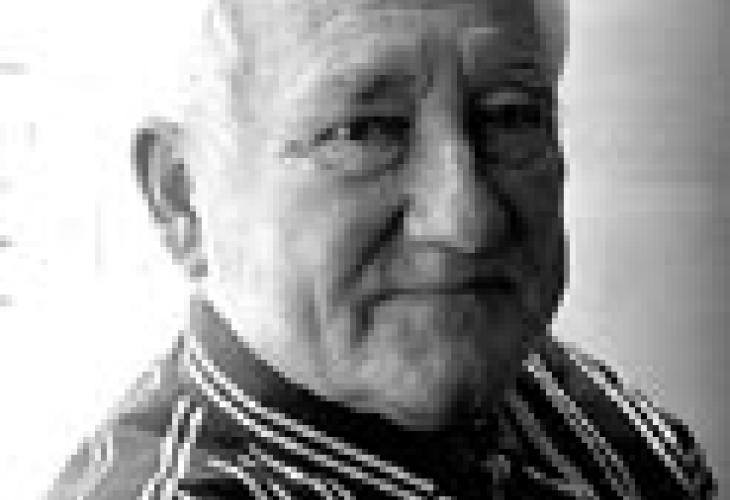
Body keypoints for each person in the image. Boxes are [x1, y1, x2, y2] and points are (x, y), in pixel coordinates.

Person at [47, 0, 715, 498]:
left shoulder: (590, 414)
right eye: (364, 132)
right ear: (183, 198)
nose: (467, 221)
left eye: (510, 116)